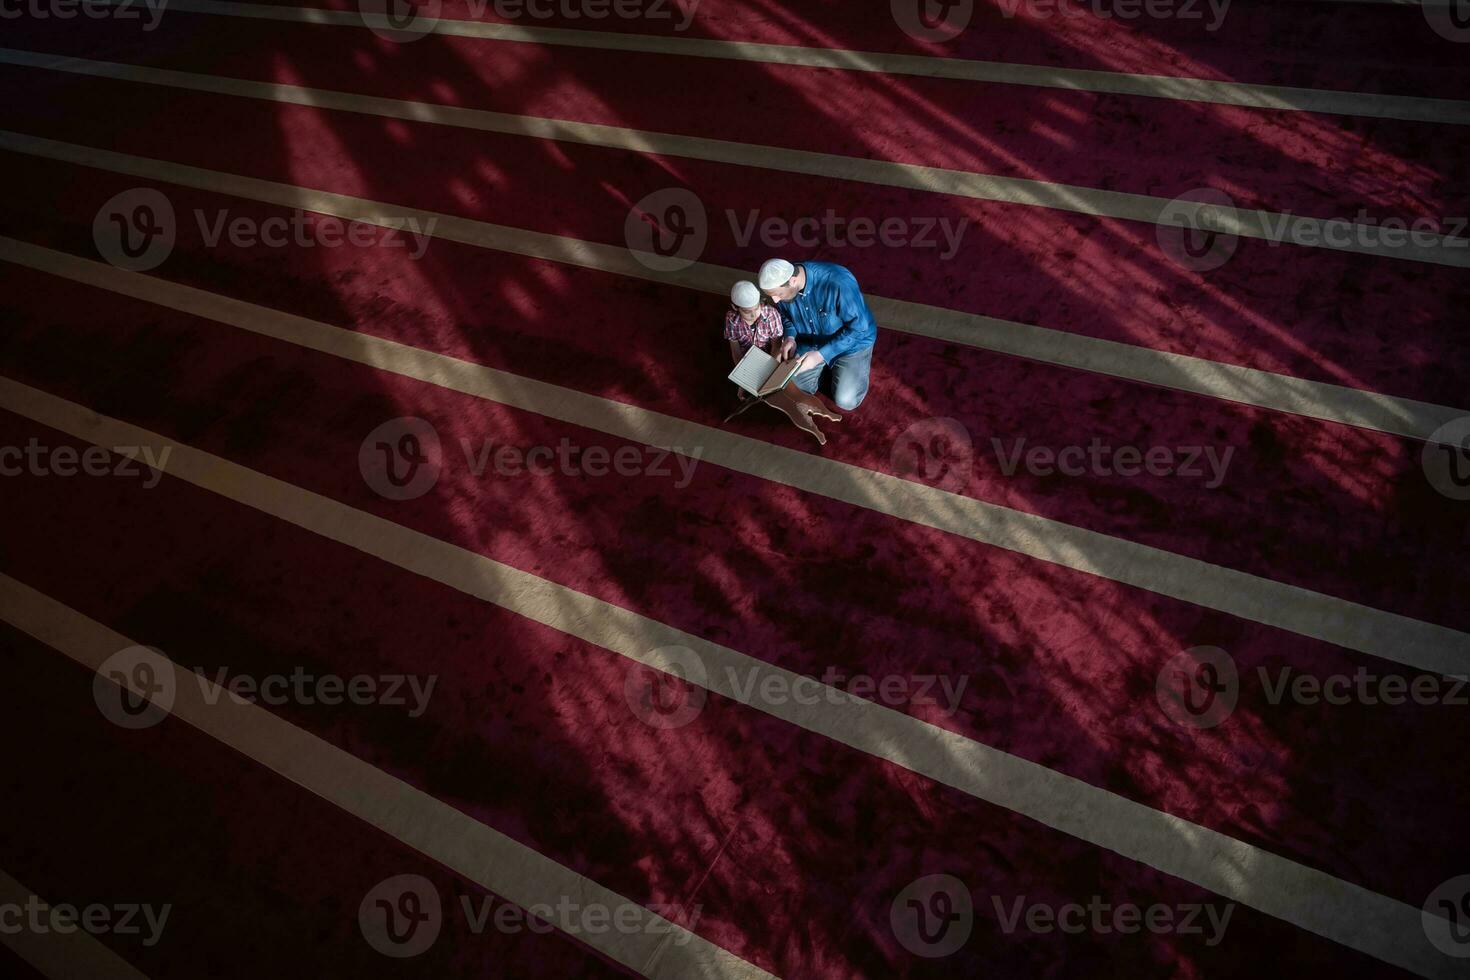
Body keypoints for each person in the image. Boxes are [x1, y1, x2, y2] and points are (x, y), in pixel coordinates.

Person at [757, 258, 876, 412]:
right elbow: (785, 317)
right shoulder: (783, 284)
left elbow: (859, 329)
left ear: (793, 281)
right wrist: (790, 337)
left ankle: (840, 366)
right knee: (789, 386)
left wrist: (821, 355)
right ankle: (824, 370)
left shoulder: (839, 283)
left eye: (778, 294)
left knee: (846, 401)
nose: (775, 300)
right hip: (810, 341)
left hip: (850, 343)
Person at [724, 280, 784, 400]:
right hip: (747, 358)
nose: (753, 315)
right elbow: (736, 351)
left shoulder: (771, 314)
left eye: (756, 308)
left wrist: (770, 376)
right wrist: (743, 379)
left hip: (770, 356)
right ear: (735, 307)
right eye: (747, 311)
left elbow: (776, 346)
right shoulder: (731, 319)